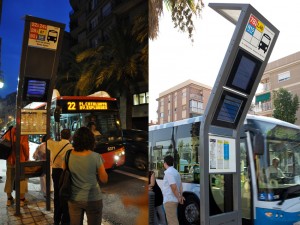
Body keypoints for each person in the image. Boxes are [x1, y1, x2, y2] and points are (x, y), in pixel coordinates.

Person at [66, 126, 108, 225]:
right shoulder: (96, 156)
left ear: (75, 140)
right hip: (93, 198)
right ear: (91, 141)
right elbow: (104, 179)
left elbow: (66, 173)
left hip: (74, 198)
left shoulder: (68, 155)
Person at [47, 129, 73, 225]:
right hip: (65, 172)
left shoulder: (54, 144)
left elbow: (47, 140)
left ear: (60, 136)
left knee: (57, 195)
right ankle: (65, 220)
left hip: (55, 172)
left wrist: (49, 138)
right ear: (70, 136)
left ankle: (56, 219)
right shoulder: (71, 147)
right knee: (65, 195)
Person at [4, 126, 30, 207]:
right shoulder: (23, 132)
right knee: (22, 178)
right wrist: (26, 157)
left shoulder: (10, 130)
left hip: (10, 159)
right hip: (21, 159)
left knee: (9, 178)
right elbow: (25, 146)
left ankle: (9, 199)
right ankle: (21, 200)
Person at [162, 155, 185, 225]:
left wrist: (179, 197)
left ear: (165, 163)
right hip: (174, 200)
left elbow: (173, 187)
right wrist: (180, 196)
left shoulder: (168, 172)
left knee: (172, 221)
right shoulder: (176, 171)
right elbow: (180, 185)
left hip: (170, 200)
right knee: (174, 219)